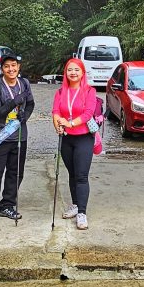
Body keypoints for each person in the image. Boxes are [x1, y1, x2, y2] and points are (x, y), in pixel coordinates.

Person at [0, 54, 35, 228]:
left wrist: (24, 117)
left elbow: (31, 104)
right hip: (0, 136)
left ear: (19, 67)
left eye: (14, 65)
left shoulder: (24, 83)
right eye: (7, 66)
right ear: (1, 69)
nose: (11, 69)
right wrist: (14, 102)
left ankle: (7, 205)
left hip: (19, 135)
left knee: (16, 172)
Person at [51, 57, 99, 230]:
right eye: (70, 70)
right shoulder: (60, 92)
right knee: (72, 174)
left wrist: (70, 123)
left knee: (81, 175)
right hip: (66, 139)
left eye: (76, 70)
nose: (73, 73)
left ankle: (82, 213)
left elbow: (87, 114)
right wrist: (58, 125)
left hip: (83, 138)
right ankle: (76, 205)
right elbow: (56, 112)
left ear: (82, 73)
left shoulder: (89, 91)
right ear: (66, 73)